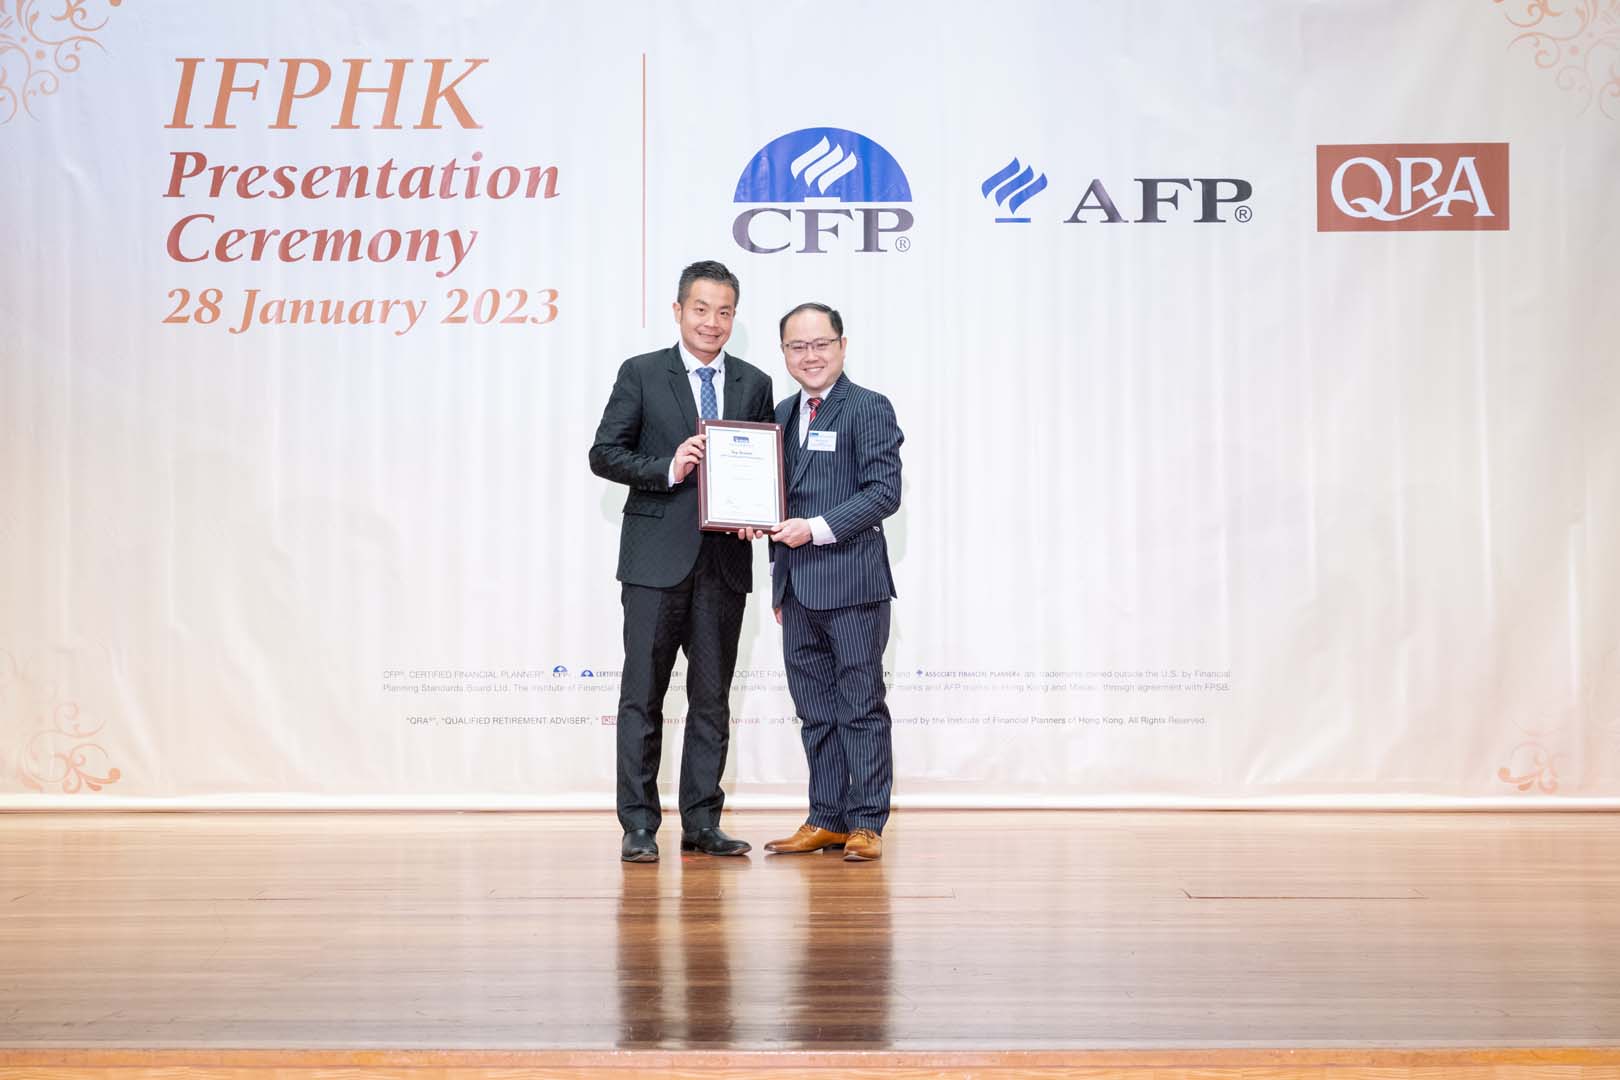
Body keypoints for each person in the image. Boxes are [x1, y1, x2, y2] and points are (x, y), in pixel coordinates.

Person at [589, 260, 776, 863]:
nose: (711, 322)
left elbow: (764, 468)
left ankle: (703, 822)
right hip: (654, 562)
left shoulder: (754, 382)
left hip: (724, 561)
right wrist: (668, 467)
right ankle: (638, 825)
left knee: (712, 699)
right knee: (642, 695)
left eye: (724, 311)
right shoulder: (642, 373)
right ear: (678, 311)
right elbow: (604, 453)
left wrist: (758, 513)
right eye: (700, 309)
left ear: (734, 316)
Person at [757, 303, 903, 862]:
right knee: (815, 711)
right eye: (798, 346)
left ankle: (866, 823)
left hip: (853, 585)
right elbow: (773, 498)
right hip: (796, 589)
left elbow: (883, 493)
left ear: (842, 346)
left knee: (860, 707)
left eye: (821, 344)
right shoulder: (780, 414)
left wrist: (813, 529)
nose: (810, 355)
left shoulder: (868, 407)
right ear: (784, 353)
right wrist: (772, 562)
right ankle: (826, 817)